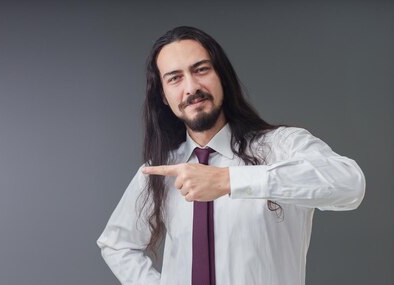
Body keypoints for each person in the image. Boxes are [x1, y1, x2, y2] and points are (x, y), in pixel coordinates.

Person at [96, 26, 365, 285]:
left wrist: (230, 180)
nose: (191, 87)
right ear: (164, 96)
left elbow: (350, 184)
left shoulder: (281, 145)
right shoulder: (162, 170)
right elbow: (117, 244)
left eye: (201, 70)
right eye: (175, 78)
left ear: (222, 77)